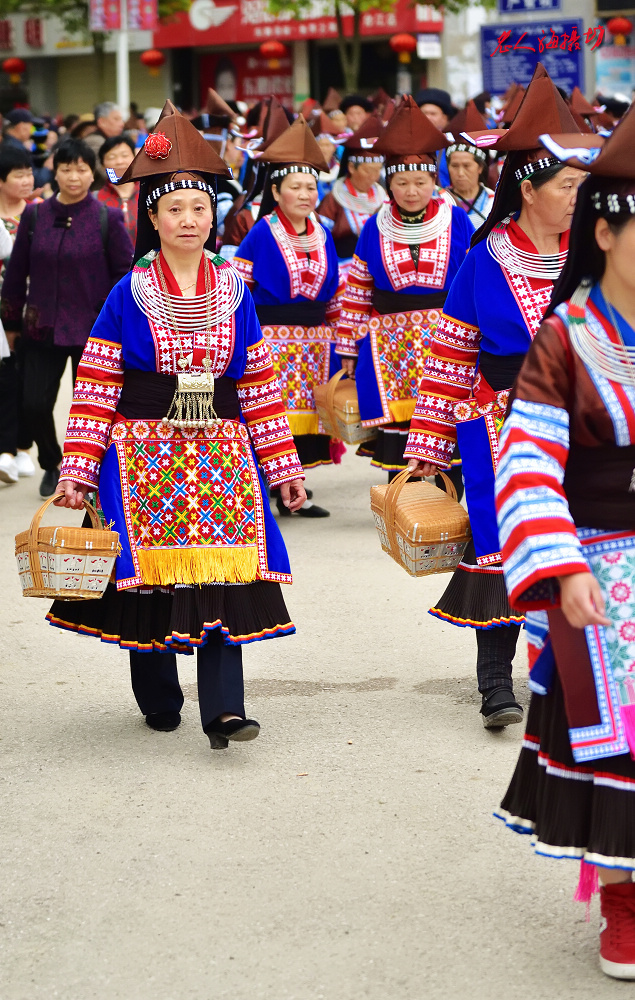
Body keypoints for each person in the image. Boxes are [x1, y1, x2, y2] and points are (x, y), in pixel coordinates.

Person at [49, 103, 306, 750]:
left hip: (224, 451)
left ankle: (224, 709)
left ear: (212, 216)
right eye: (174, 209)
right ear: (152, 218)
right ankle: (160, 695)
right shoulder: (127, 292)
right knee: (152, 571)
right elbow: (97, 384)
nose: (189, 219)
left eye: (199, 208)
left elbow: (257, 383)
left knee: (227, 568)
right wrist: (79, 470)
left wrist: (283, 467)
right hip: (140, 452)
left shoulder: (235, 289)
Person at [494, 107, 635, 980]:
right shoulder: (566, 339)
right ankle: (624, 903)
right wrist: (561, 563)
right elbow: (527, 463)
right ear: (607, 231)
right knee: (617, 739)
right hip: (602, 563)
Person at [404, 65, 587, 728]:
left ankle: (571, 678)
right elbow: (451, 356)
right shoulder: (484, 259)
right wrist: (427, 447)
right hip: (500, 424)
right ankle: (494, 685)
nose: (579, 197)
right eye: (568, 185)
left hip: (584, 424)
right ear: (528, 188)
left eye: (583, 184)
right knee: (501, 544)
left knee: (580, 545)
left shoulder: (597, 254)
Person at [335, 96, 473, 479]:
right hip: (389, 345)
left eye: (420, 182)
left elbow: (471, 284)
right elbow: (358, 289)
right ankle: (403, 505)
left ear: (434, 181)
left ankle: (449, 500)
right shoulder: (374, 226)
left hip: (446, 341)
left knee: (447, 427)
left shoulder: (457, 221)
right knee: (400, 448)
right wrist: (348, 346)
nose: (411, 191)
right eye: (401, 182)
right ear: (389, 184)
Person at [0, 138, 132, 499]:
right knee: (34, 403)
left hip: (95, 330)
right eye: (66, 168)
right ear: (54, 173)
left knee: (92, 408)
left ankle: (90, 474)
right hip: (41, 326)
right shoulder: (35, 215)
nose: (74, 176)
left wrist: (121, 323)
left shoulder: (107, 217)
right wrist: (10, 324)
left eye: (81, 169)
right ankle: (52, 462)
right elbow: (16, 273)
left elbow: (124, 274)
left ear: (93, 174)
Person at [233, 117, 341, 518]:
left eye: (311, 187)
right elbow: (238, 291)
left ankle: (295, 492)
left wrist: (343, 342)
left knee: (303, 423)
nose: (305, 194)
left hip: (316, 344)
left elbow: (336, 292)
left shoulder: (323, 232)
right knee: (270, 419)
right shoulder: (261, 233)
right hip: (272, 341)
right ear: (276, 191)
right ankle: (263, 495)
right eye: (295, 187)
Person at [0, 144, 37, 484]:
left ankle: (22, 447)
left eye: (29, 173)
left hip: (29, 310)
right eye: (19, 175)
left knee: (25, 380)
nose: (27, 180)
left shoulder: (38, 213)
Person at [318, 114, 386, 264]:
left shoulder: (383, 197)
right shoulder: (333, 200)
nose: (374, 177)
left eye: (377, 171)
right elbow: (321, 239)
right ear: (351, 167)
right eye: (368, 171)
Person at [443, 100, 495, 230]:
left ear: (480, 168)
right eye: (454, 166)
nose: (460, 173)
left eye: (466, 166)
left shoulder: (494, 203)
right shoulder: (440, 201)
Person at [96, 135, 139, 245]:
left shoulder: (149, 193)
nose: (119, 162)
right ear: (102, 165)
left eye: (125, 155)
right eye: (112, 157)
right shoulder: (96, 199)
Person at [415, 88, 455, 188]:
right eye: (424, 113)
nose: (428, 117)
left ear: (445, 118)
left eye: (433, 114)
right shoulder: (410, 144)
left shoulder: (453, 144)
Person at [83, 102, 125, 188]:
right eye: (116, 119)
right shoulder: (95, 141)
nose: (122, 124)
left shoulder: (109, 140)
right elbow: (107, 174)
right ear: (101, 122)